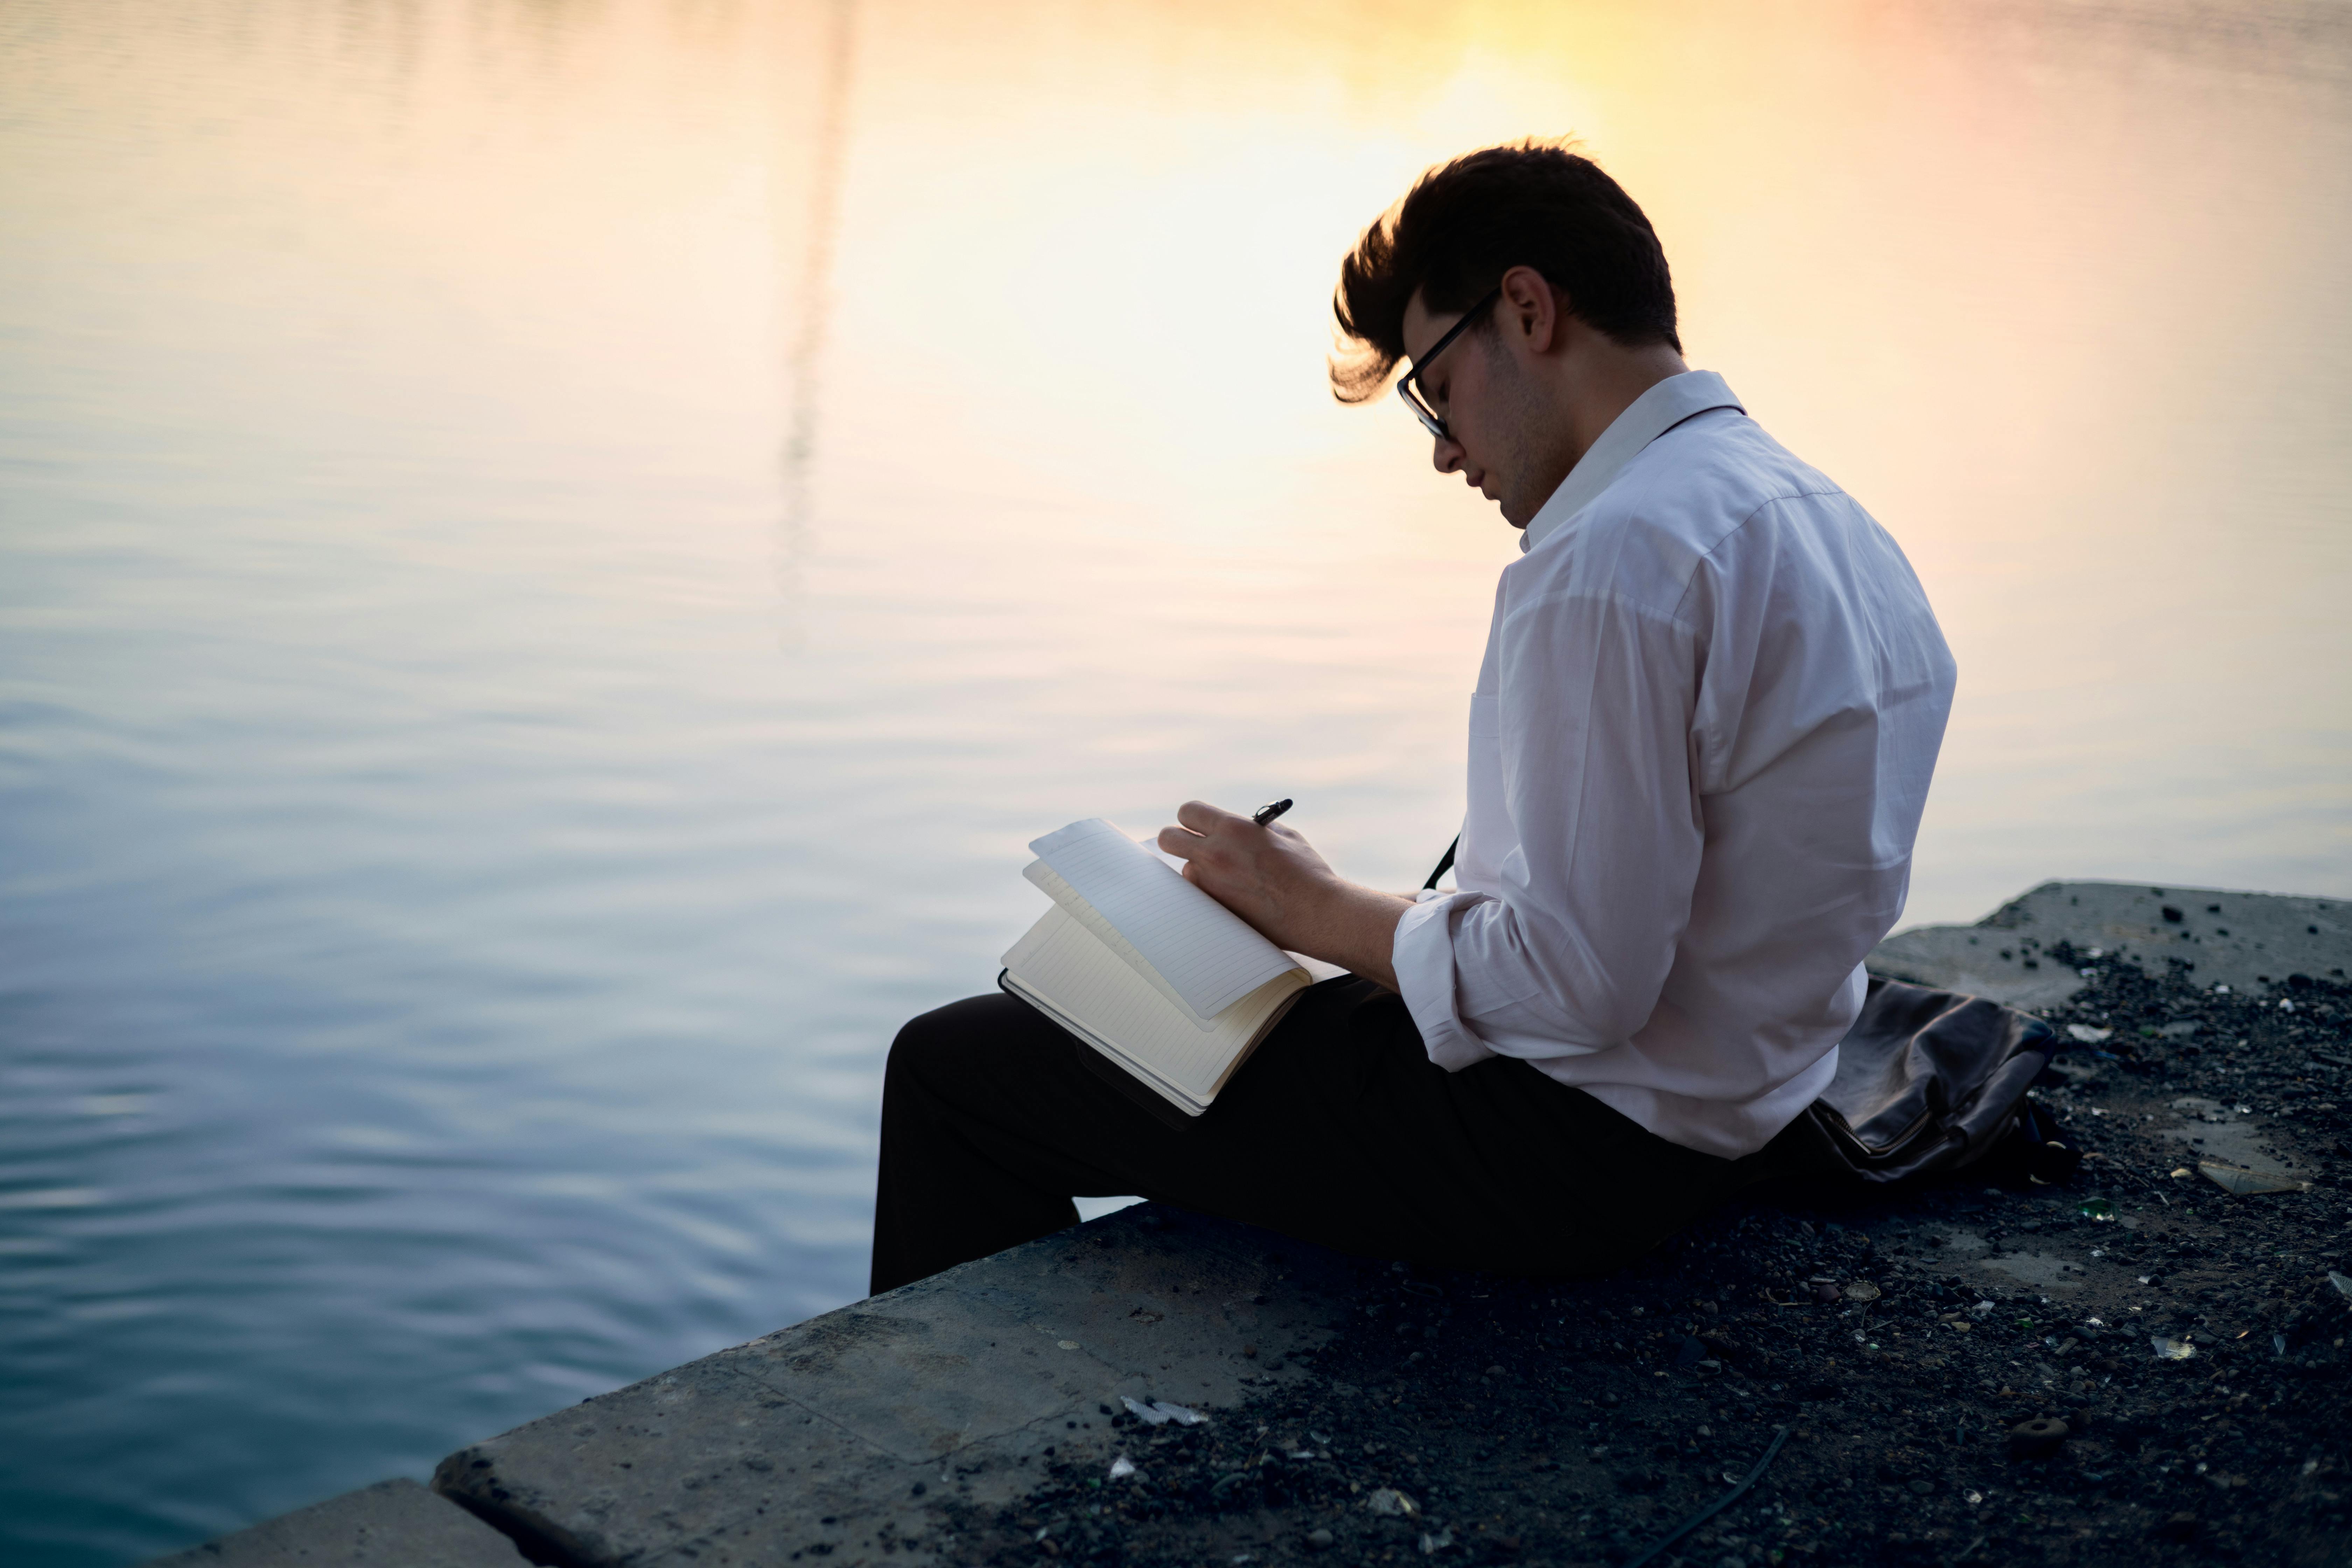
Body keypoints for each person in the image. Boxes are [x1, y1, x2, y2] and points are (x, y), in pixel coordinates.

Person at [868, 141, 1955, 1297]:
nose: (1444, 450)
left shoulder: (1615, 562)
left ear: (1527, 310)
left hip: (1568, 1150)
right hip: (1746, 1106)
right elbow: (1646, 923)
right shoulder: (1828, 518)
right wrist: (1340, 908)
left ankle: (946, 1468)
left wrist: (1311, 908)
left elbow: (1581, 986)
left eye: (1436, 389)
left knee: (952, 1070)